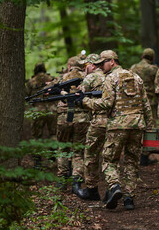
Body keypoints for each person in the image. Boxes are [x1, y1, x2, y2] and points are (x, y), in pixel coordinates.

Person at [79, 50, 153, 210]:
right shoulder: (136, 77)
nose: (100, 67)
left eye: (102, 63)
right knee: (131, 162)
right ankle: (129, 199)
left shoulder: (111, 78)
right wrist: (149, 127)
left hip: (117, 126)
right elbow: (146, 104)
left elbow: (106, 104)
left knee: (109, 160)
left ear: (112, 61)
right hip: (137, 125)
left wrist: (85, 102)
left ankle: (114, 187)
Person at [55, 56, 90, 194]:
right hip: (81, 118)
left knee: (63, 149)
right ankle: (76, 182)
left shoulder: (62, 78)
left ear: (69, 66)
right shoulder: (86, 78)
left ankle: (62, 182)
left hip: (64, 118)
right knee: (78, 151)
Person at [74, 53, 106, 200]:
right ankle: (113, 188)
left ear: (93, 65)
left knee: (91, 154)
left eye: (86, 65)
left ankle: (92, 190)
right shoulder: (110, 76)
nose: (84, 68)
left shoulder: (91, 77)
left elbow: (79, 95)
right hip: (115, 121)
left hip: (98, 120)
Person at [25, 63, 57, 168]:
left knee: (36, 136)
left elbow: (27, 95)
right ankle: (53, 157)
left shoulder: (31, 81)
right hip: (52, 109)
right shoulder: (52, 79)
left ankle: (37, 161)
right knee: (53, 134)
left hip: (37, 110)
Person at [130, 48, 158, 166]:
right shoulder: (153, 69)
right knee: (149, 127)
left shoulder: (133, 68)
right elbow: (157, 84)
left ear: (142, 56)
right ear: (152, 58)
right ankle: (145, 155)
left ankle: (133, 153)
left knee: (136, 126)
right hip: (150, 102)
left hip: (135, 102)